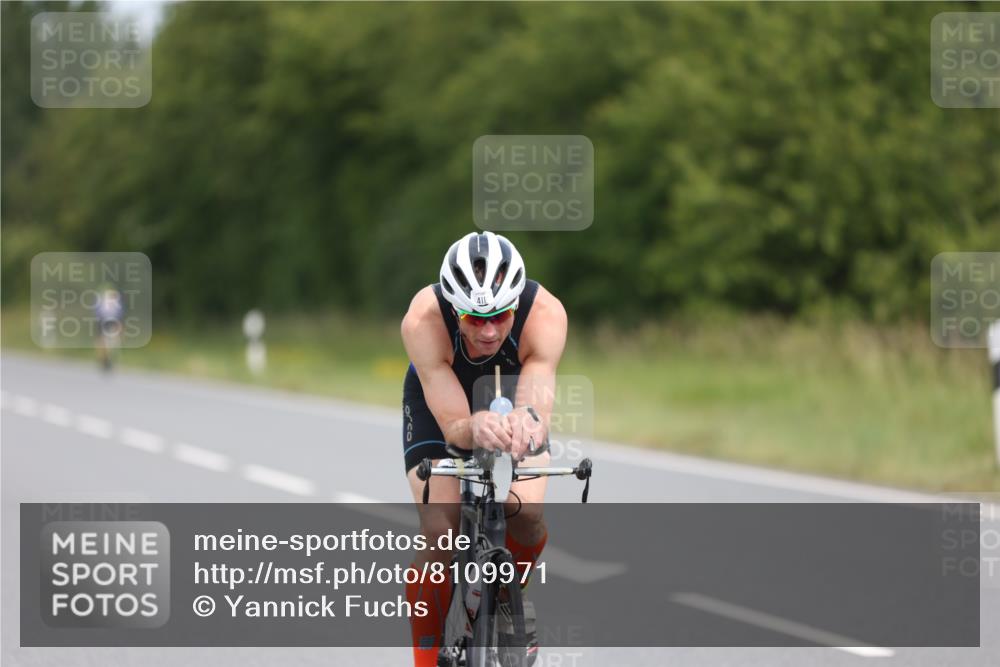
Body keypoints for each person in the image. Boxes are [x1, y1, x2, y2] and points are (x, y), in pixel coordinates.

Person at [400, 231, 567, 667]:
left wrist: (526, 424)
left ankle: (511, 592)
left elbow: (536, 405)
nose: (489, 331)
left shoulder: (546, 314)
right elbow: (454, 425)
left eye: (500, 316)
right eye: (474, 319)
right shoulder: (423, 320)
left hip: (512, 392)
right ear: (455, 310)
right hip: (443, 397)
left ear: (516, 305)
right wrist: (472, 426)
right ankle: (424, 659)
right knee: (441, 531)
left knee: (527, 515)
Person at [94, 285, 124, 372]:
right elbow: (120, 312)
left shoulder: (102, 298)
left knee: (103, 341)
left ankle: (105, 358)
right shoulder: (115, 298)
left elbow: (97, 311)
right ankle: (106, 358)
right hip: (109, 320)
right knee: (107, 341)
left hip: (106, 319)